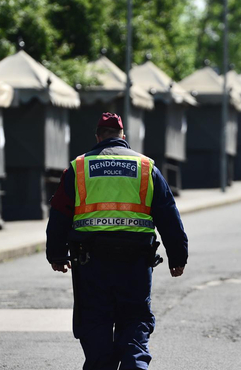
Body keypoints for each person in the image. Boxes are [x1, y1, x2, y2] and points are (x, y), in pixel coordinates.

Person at [46, 112, 188, 370]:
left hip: (90, 263)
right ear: (124, 137)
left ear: (98, 136)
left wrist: (56, 254)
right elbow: (168, 214)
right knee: (134, 321)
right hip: (135, 262)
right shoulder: (146, 168)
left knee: (95, 322)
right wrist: (177, 258)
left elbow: (60, 213)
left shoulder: (79, 168)